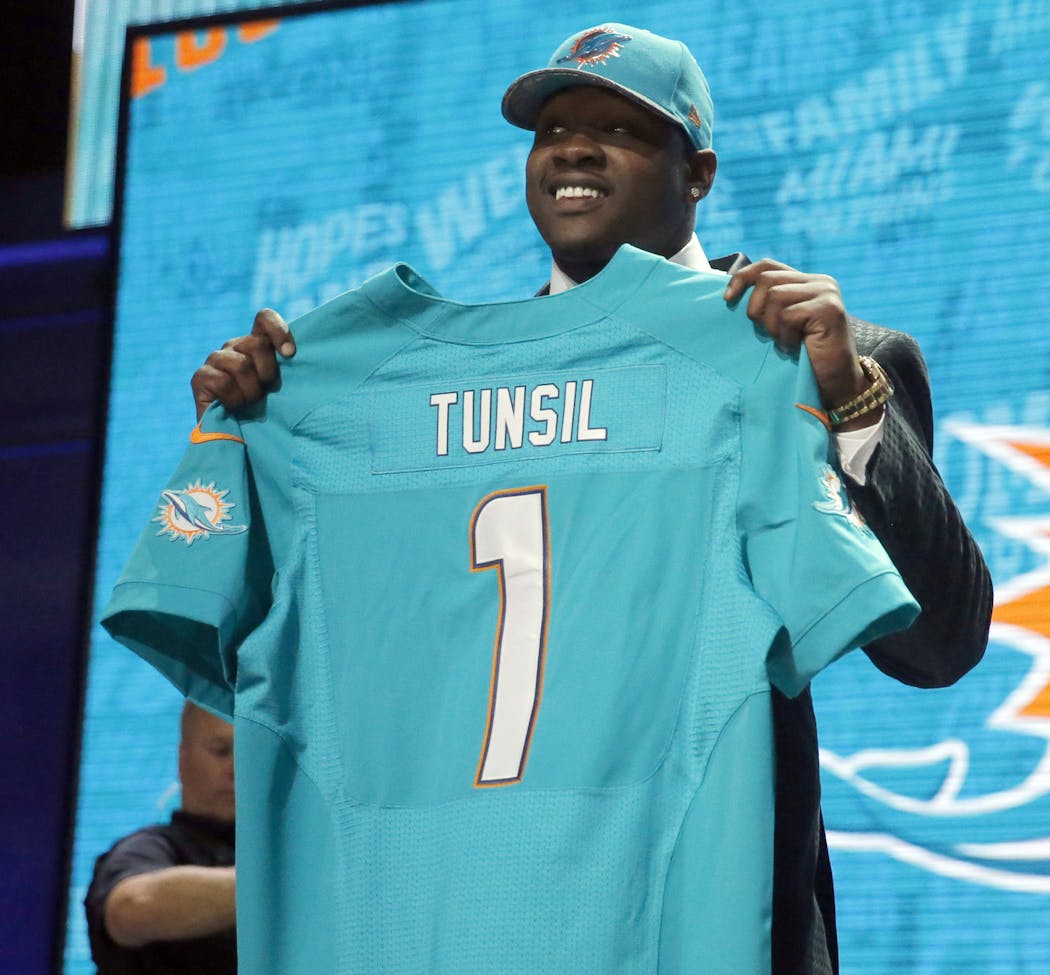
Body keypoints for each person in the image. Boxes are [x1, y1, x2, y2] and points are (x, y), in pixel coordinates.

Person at [184, 23, 992, 973]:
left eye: (620, 128)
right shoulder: (417, 385)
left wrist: (847, 396)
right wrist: (250, 425)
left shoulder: (810, 353)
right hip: (470, 918)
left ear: (699, 174)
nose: (571, 147)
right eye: (552, 128)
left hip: (704, 923)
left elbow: (941, 644)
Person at [84, 702, 237, 975]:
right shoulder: (149, 848)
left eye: (252, 757)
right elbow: (131, 907)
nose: (236, 769)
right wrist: (272, 887)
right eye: (222, 751)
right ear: (182, 759)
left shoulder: (290, 856)